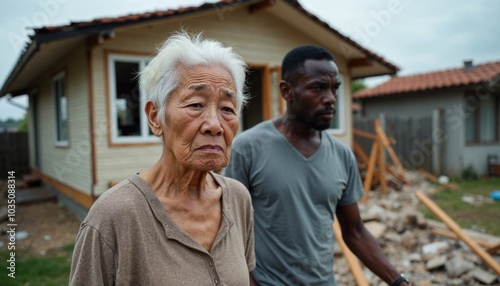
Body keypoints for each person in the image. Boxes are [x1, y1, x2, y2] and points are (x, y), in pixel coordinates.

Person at [70, 31, 255, 285]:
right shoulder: (113, 216)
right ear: (155, 117)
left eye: (227, 109)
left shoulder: (238, 198)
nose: (215, 125)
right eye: (195, 105)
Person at [224, 45, 409, 286]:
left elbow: (354, 232)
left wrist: (397, 281)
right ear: (287, 91)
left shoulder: (342, 156)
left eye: (334, 88)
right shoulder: (248, 148)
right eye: (318, 88)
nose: (330, 99)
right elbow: (229, 230)